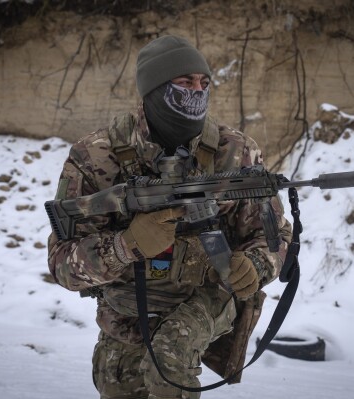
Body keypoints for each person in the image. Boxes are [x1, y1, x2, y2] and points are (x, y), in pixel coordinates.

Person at [47, 35, 292, 399]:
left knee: (170, 357)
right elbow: (62, 265)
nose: (197, 90)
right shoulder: (96, 156)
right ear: (155, 88)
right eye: (185, 82)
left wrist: (257, 265)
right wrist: (126, 245)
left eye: (204, 82)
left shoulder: (235, 152)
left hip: (203, 304)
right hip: (125, 320)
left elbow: (276, 238)